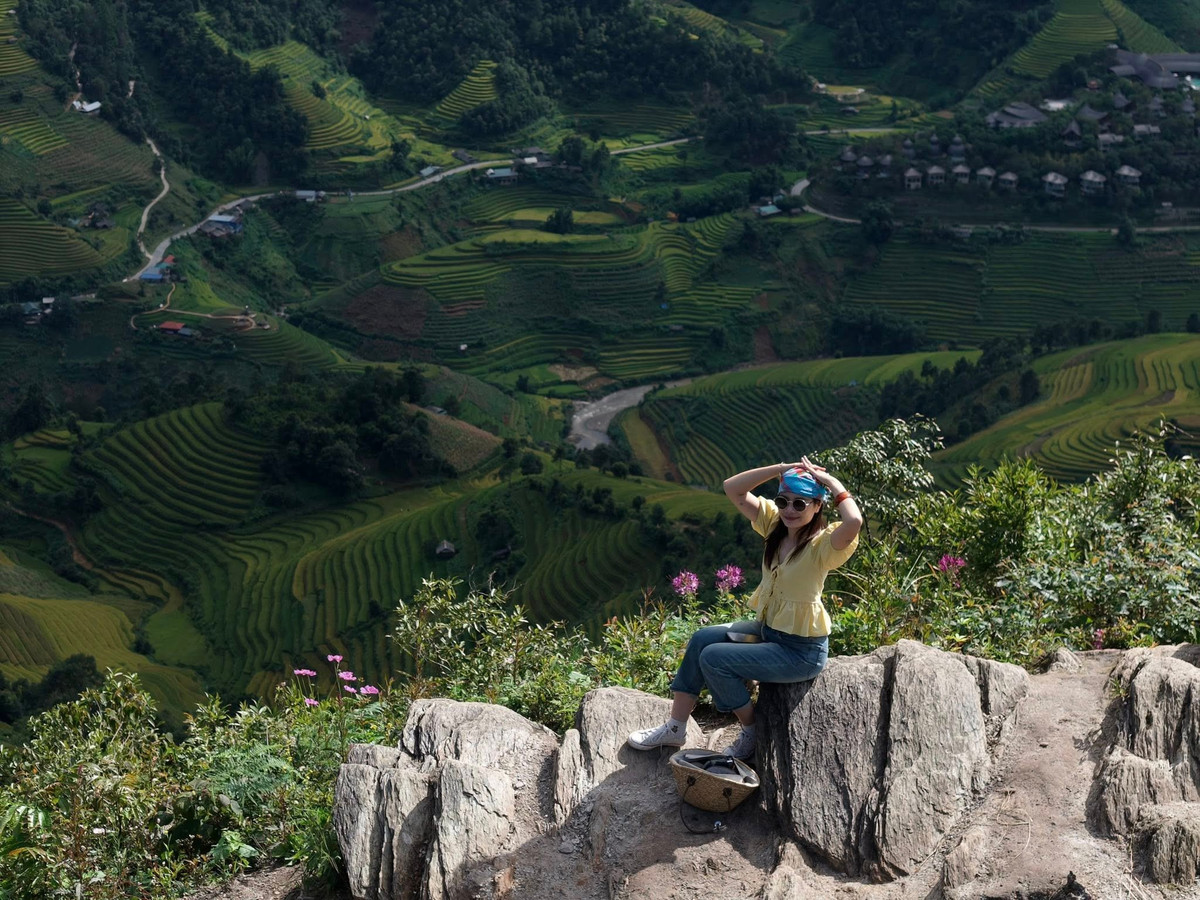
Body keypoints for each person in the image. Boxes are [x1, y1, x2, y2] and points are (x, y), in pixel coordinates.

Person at [627, 456, 862, 759]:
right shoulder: (775, 527)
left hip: (800, 651)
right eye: (783, 500)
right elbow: (732, 488)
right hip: (769, 633)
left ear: (817, 506)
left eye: (800, 504)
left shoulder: (823, 546)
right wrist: (781, 469)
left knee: (714, 659)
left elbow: (854, 521)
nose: (789, 510)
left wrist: (829, 482)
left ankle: (751, 731)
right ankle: (676, 727)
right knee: (702, 639)